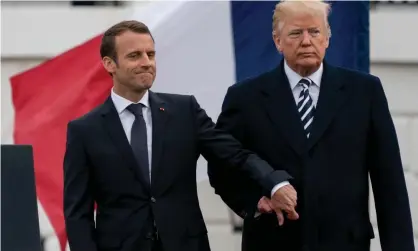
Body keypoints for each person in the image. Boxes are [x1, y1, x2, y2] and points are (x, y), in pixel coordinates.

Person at [63, 20, 292, 251]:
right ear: (109, 64)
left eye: (150, 54)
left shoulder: (185, 111)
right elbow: (77, 214)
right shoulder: (84, 130)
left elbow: (234, 155)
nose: (146, 63)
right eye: (134, 56)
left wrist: (273, 182)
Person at [207, 1, 415, 251]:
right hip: (272, 242)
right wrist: (255, 202)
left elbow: (389, 182)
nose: (306, 41)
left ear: (327, 38)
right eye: (296, 33)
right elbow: (221, 166)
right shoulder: (245, 97)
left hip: (344, 243)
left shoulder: (364, 92)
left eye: (314, 32)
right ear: (277, 41)